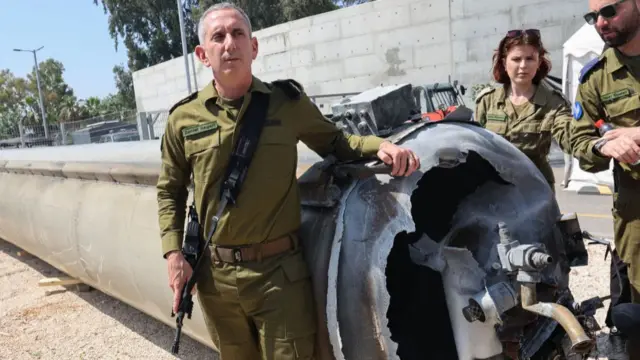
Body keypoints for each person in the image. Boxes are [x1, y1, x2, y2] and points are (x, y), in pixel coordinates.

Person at [156, 3, 420, 359]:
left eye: (238, 34)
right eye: (218, 37)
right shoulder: (183, 119)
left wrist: (383, 146)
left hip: (279, 276)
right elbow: (170, 190)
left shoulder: (286, 103)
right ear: (203, 54)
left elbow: (337, 143)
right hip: (216, 280)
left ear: (254, 47)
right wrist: (174, 254)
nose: (229, 43)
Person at [569, 0, 640, 357]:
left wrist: (634, 133)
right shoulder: (595, 78)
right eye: (592, 16)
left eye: (610, 10)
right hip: (636, 215)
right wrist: (606, 146)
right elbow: (581, 140)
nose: (600, 22)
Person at [475, 29, 573, 192]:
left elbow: (570, 137)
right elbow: (475, 144)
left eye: (530, 59)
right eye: (516, 59)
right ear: (504, 62)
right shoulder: (487, 101)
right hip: (494, 187)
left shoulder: (554, 102)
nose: (523, 66)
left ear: (539, 62)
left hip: (535, 188)